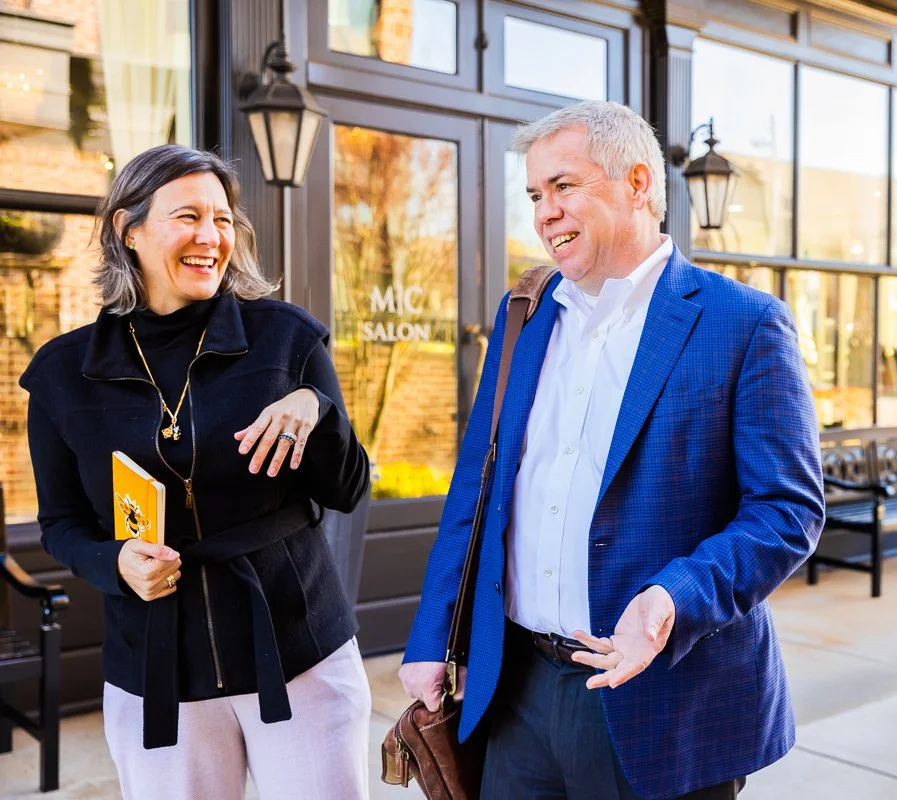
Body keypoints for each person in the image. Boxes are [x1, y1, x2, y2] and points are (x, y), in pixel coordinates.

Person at [399, 100, 824, 800]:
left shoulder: (743, 323)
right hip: (515, 689)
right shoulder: (525, 318)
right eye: (535, 195)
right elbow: (476, 492)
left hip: (663, 696)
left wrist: (670, 598)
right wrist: (430, 637)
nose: (544, 212)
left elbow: (785, 510)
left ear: (636, 183)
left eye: (564, 186)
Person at [20, 144, 372, 800]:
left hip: (297, 652)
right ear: (129, 230)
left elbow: (347, 488)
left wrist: (316, 408)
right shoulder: (63, 374)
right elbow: (61, 524)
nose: (211, 236)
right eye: (188, 216)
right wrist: (114, 563)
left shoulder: (287, 340)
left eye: (222, 220)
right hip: (157, 671)